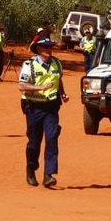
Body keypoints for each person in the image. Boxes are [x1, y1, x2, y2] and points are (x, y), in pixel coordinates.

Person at [19, 37, 69, 188]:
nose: (49, 49)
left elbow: (58, 79)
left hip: (51, 107)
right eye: (46, 47)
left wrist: (62, 93)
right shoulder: (29, 65)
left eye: (50, 46)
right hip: (33, 107)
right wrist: (40, 88)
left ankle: (49, 175)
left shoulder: (57, 63)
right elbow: (21, 86)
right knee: (34, 142)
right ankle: (31, 169)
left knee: (52, 137)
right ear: (38, 49)